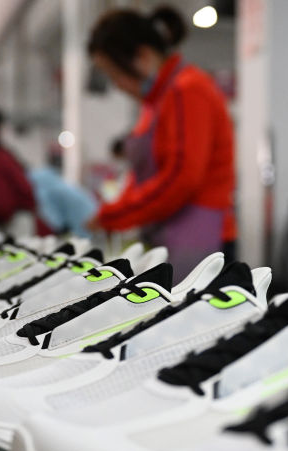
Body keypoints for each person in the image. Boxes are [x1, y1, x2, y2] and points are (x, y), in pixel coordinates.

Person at [86, 4, 237, 272]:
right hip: (172, 235)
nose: (117, 86)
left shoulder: (186, 91)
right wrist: (115, 210)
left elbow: (181, 178)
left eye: (115, 74)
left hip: (198, 239)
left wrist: (116, 215)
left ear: (142, 56)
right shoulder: (156, 102)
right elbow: (142, 175)